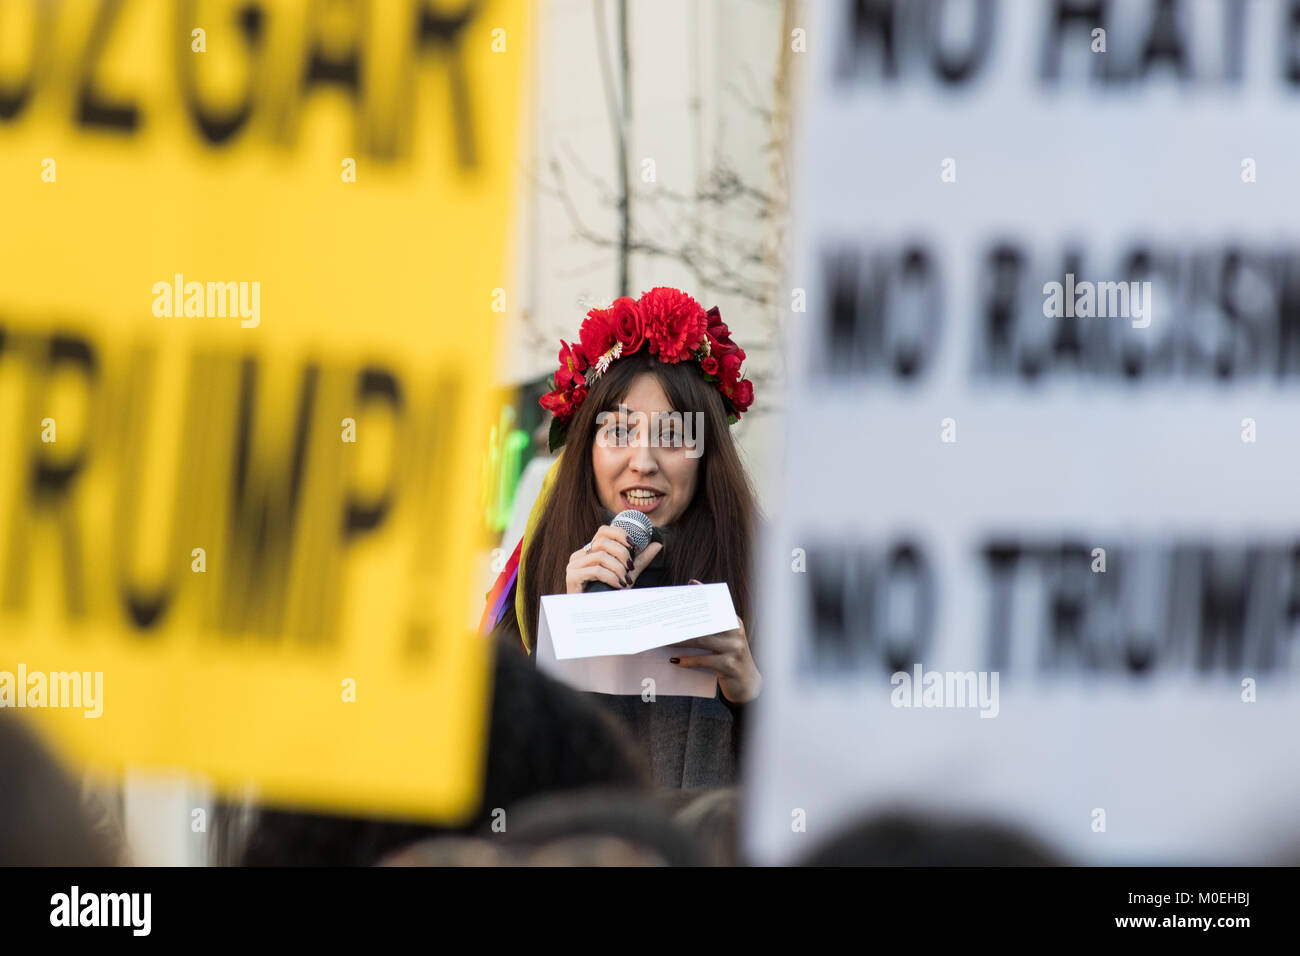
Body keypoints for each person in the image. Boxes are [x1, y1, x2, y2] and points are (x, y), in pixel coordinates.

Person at [481, 287, 762, 788]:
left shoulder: (762, 575)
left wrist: (751, 693)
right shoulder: (532, 583)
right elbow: (496, 771)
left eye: (673, 436)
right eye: (619, 431)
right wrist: (566, 632)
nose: (644, 461)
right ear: (586, 447)